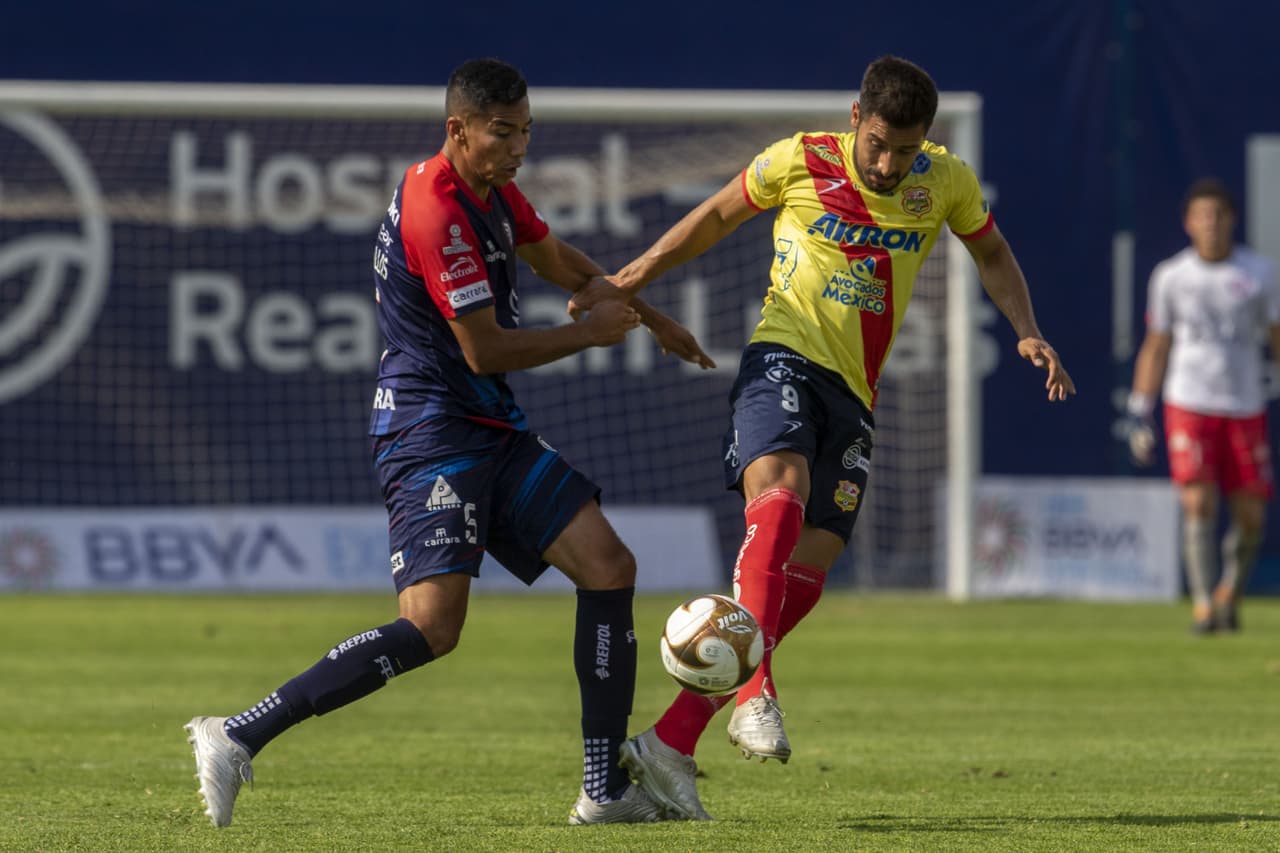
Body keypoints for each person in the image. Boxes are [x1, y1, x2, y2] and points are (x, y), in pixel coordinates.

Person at [184, 57, 716, 829]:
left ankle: (604, 789)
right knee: (433, 627)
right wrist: (588, 333)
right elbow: (485, 349)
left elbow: (559, 261)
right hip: (431, 433)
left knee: (609, 566)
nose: (518, 147)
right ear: (457, 129)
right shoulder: (437, 213)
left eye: (526, 131)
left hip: (488, 427)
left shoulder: (490, 190)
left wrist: (654, 319)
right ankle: (237, 732)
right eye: (503, 133)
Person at [569, 54, 1076, 820]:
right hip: (782, 357)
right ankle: (755, 692)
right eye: (878, 144)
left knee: (809, 567)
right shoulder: (798, 160)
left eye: (905, 150)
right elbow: (713, 217)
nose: (889, 164)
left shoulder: (945, 181)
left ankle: (668, 743)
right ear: (855, 118)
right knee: (781, 494)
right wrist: (632, 278)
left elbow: (992, 252)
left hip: (855, 396)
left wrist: (1026, 328)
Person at [1124, 178, 1278, 634]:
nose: (1211, 224)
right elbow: (1157, 345)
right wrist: (1139, 408)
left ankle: (1229, 591)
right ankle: (1203, 604)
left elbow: (1276, 337)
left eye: (1219, 215)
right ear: (1188, 223)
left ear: (1232, 220)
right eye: (1203, 216)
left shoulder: (1260, 273)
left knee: (1251, 515)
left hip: (1245, 403)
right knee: (1198, 502)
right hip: (1189, 401)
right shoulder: (1171, 276)